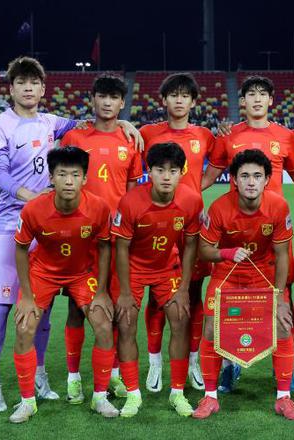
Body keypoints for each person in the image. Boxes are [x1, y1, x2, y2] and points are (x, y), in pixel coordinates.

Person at [0, 56, 142, 412]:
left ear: (43, 88)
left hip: (55, 223)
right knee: (4, 303)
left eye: (33, 83)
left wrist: (125, 122)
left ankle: (39, 375)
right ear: (11, 88)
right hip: (13, 221)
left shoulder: (51, 122)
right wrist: (31, 197)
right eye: (21, 83)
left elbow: (95, 121)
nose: (28, 88)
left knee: (45, 307)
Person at [201, 75, 294, 393]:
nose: (257, 99)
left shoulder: (286, 136)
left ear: (271, 100)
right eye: (251, 94)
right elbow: (209, 176)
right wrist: (185, 200)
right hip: (235, 232)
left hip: (273, 232)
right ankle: (229, 365)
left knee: (282, 309)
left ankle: (286, 375)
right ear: (242, 101)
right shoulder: (228, 135)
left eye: (263, 94)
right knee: (230, 313)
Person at [9, 146, 118, 423]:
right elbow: (20, 249)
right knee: (24, 327)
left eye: (75, 175)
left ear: (85, 178)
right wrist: (26, 297)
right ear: (51, 177)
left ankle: (100, 398)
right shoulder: (34, 209)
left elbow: (105, 246)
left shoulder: (99, 208)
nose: (69, 181)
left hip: (82, 273)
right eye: (62, 174)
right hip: (43, 272)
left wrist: (102, 291)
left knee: (104, 324)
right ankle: (27, 402)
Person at [194, 149, 294, 420]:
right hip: (227, 274)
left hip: (264, 275)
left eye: (257, 176)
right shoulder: (219, 208)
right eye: (244, 176)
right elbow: (204, 251)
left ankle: (283, 398)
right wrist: (227, 253)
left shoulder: (278, 206)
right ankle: (210, 397)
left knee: (283, 325)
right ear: (234, 180)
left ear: (267, 180)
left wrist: (280, 297)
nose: (251, 182)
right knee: (211, 328)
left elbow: (282, 255)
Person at [59, 73, 143, 403]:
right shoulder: (74, 136)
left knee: (119, 308)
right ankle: (73, 378)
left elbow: (133, 193)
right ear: (92, 99)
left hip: (118, 239)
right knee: (77, 308)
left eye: (113, 97)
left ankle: (115, 375)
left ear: (122, 103)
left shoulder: (130, 140)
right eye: (102, 96)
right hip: (82, 237)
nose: (107, 102)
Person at [111, 142, 203, 418]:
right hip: (133, 270)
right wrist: (125, 291)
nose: (166, 176)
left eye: (173, 171)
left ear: (181, 172)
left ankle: (177, 393)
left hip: (166, 268)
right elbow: (121, 248)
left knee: (180, 318)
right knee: (126, 323)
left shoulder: (191, 201)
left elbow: (191, 245)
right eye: (160, 170)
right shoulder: (130, 202)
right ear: (148, 171)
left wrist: (184, 288)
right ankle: (133, 394)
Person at [139, 72, 215, 393]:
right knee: (157, 296)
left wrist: (195, 193)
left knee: (193, 294)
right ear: (164, 100)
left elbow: (218, 164)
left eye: (185, 95)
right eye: (174, 95)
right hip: (157, 224)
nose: (179, 100)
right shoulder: (147, 133)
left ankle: (193, 360)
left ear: (193, 101)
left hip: (191, 225)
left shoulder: (205, 135)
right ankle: (155, 362)